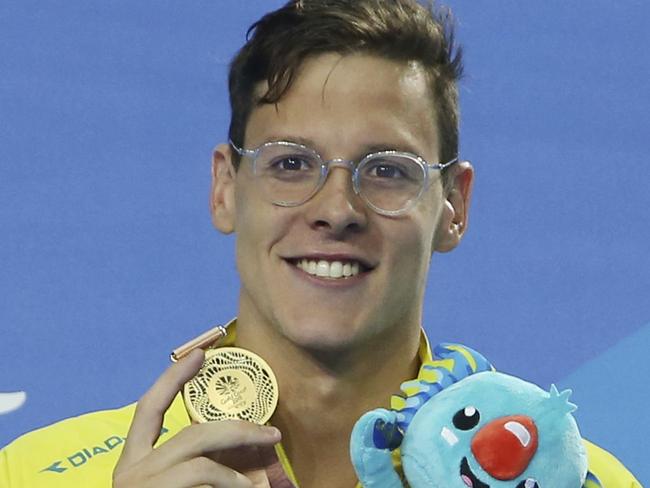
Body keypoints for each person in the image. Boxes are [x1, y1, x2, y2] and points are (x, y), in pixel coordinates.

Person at [0, 1, 641, 487]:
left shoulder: (574, 479)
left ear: (454, 207)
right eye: (290, 164)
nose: (336, 210)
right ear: (226, 187)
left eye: (389, 170)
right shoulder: (34, 473)